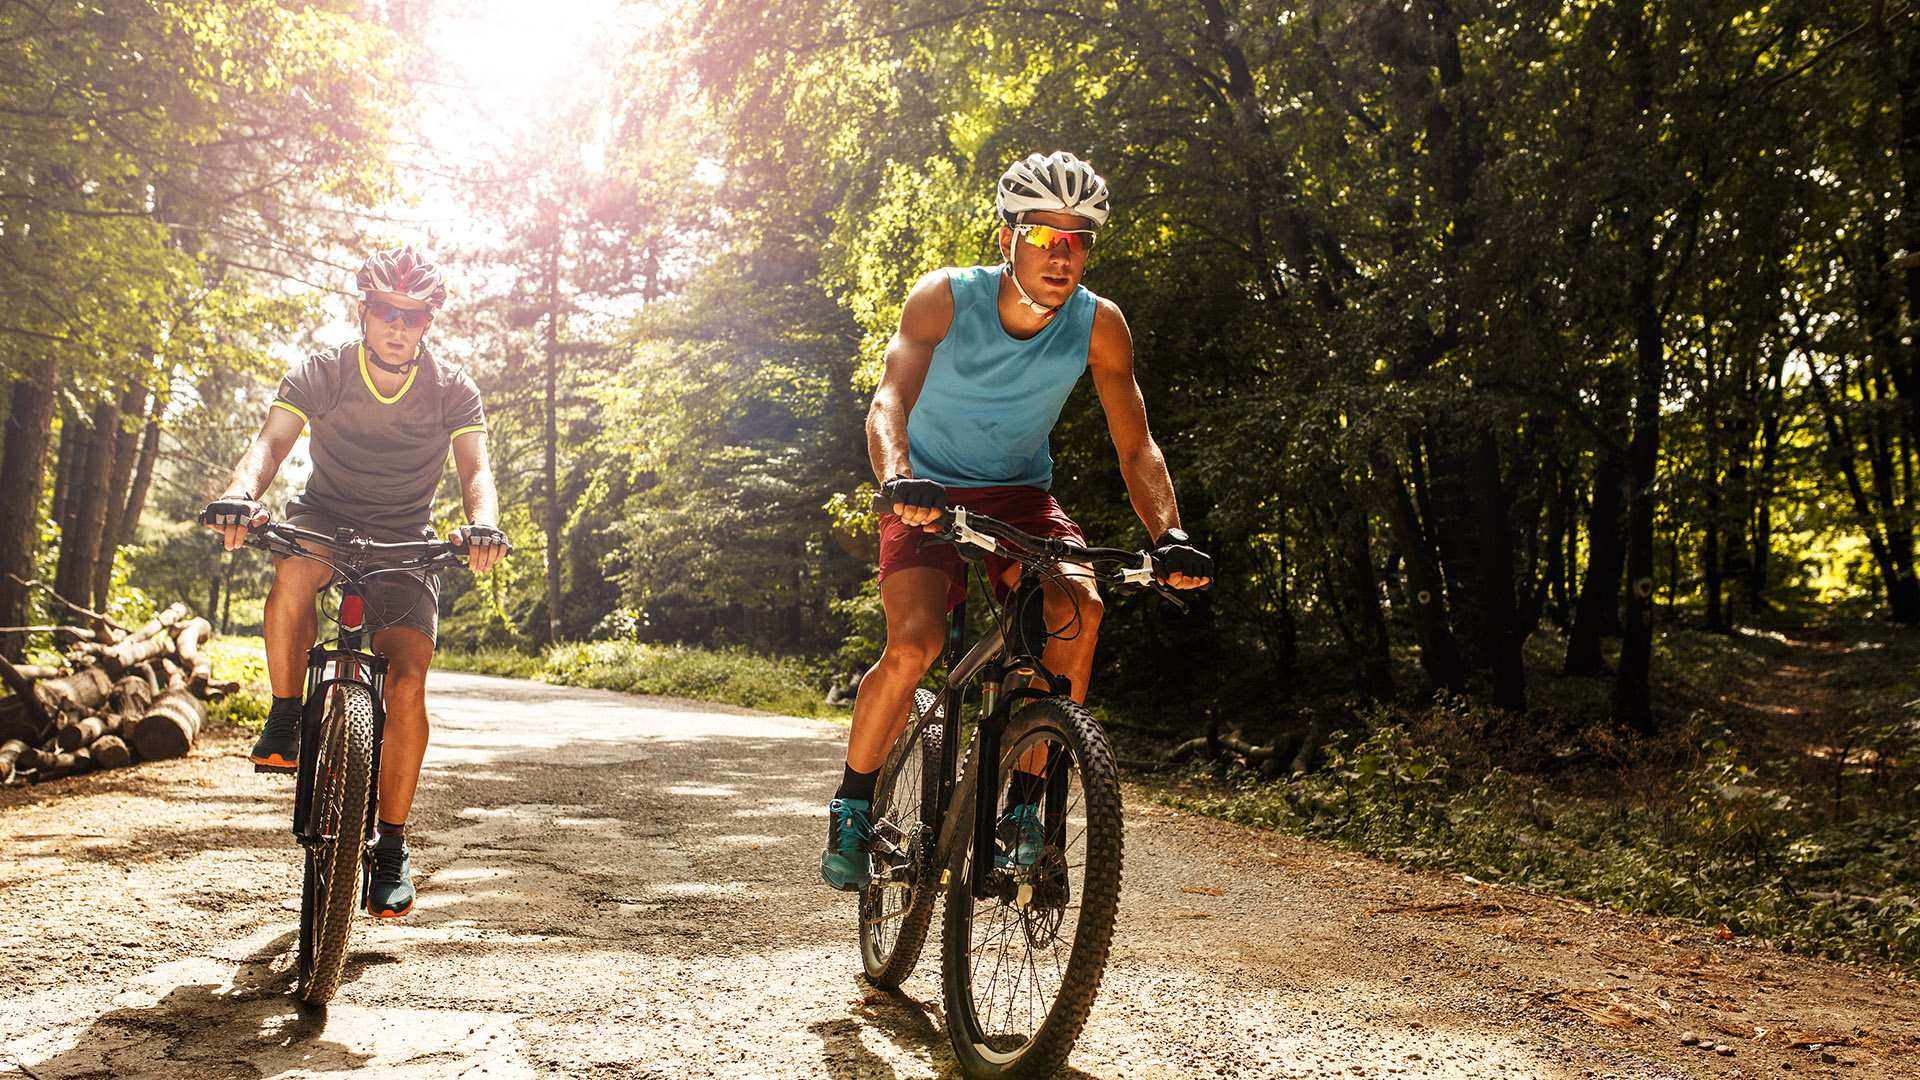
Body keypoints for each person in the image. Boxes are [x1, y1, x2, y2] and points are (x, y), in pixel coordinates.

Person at [822, 152, 1214, 890]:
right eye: (1043, 234)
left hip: (1020, 497)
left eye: (1079, 238)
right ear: (1007, 240)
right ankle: (852, 804)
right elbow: (888, 402)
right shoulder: (943, 297)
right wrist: (900, 478)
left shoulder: (1101, 326)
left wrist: (1170, 537)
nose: (1061, 253)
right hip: (927, 488)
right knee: (916, 643)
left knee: (1079, 607)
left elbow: (1136, 446)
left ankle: (1025, 807)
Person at [202, 245, 508, 918]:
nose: (398, 327)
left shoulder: (452, 388)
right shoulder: (323, 372)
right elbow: (270, 445)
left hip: (408, 536)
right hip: (325, 519)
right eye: (385, 312)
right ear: (364, 312)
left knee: (407, 679)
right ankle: (285, 715)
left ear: (429, 321)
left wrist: (482, 523)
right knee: (294, 570)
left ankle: (392, 848)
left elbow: (474, 471)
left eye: (412, 315)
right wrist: (239, 494)